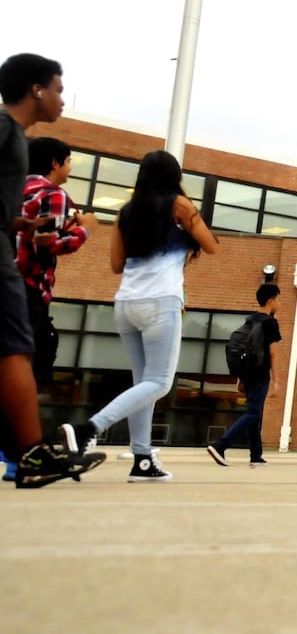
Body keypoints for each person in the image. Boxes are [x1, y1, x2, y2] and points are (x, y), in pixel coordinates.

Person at [59, 150, 219, 482]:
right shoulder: (180, 205)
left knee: (143, 384)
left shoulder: (126, 213)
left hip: (126, 304)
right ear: (175, 176)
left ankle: (142, 459)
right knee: (159, 383)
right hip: (160, 303)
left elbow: (117, 265)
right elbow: (212, 244)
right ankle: (88, 428)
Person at [1, 53, 103, 487]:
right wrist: (85, 231)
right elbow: (61, 245)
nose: (62, 99)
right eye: (58, 89)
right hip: (17, 276)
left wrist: (21, 224)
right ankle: (30, 455)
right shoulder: (8, 132)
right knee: (16, 353)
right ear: (36, 89)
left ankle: (25, 455)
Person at [17, 136, 92, 382]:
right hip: (29, 291)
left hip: (10, 285)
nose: (70, 167)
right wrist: (86, 229)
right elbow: (47, 245)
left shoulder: (15, 189)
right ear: (54, 163)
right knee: (29, 369)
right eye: (68, 161)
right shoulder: (53, 194)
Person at [206, 284, 282, 468]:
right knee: (253, 413)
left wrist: (239, 377)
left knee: (255, 413)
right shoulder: (270, 323)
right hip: (259, 373)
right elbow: (273, 353)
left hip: (246, 373)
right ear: (270, 301)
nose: (279, 303)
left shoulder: (249, 320)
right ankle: (220, 445)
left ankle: (256, 455)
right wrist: (276, 380)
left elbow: (244, 349)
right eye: (278, 299)